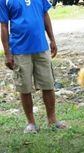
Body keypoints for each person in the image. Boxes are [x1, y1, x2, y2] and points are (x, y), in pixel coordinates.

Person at [0, 0, 65, 133]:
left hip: (41, 47)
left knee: (48, 84)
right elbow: (4, 26)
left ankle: (52, 120)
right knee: (24, 87)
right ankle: (31, 123)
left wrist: (52, 39)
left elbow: (45, 15)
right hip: (19, 50)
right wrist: (7, 53)